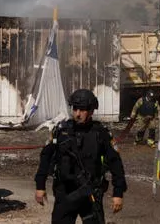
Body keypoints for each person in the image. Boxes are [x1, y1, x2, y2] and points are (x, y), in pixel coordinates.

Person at [34, 88, 127, 223]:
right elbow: (45, 158)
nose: (77, 114)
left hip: (90, 195)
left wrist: (118, 193)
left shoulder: (101, 133)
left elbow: (115, 163)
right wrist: (40, 186)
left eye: (82, 110)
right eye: (75, 109)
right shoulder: (61, 131)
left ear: (91, 111)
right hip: (65, 193)